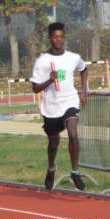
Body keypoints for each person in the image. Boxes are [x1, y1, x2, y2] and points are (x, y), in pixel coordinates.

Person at [31, 22, 89, 191]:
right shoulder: (43, 61)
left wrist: (84, 91)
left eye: (61, 36)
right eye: (55, 37)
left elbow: (84, 69)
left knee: (73, 133)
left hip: (69, 102)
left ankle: (75, 171)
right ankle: (51, 168)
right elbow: (35, 88)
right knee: (53, 143)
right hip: (51, 108)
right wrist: (50, 79)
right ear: (50, 38)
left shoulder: (73, 57)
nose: (59, 40)